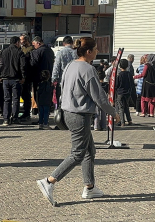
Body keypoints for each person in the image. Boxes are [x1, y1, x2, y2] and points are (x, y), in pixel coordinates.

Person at [36, 37, 120, 206]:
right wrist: (114, 113)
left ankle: (89, 187)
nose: (97, 52)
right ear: (88, 52)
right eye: (95, 49)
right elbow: (100, 97)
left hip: (68, 111)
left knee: (89, 150)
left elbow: (62, 87)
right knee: (78, 153)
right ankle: (49, 181)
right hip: (79, 114)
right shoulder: (88, 69)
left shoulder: (70, 65)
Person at [0, 36, 26, 125]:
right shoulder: (20, 52)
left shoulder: (3, 52)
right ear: (17, 43)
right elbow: (22, 66)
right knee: (16, 99)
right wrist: (23, 77)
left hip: (5, 79)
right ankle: (15, 118)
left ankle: (6, 118)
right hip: (16, 79)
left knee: (6, 99)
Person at [51, 35, 78, 106]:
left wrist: (54, 79)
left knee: (62, 100)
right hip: (75, 81)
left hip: (62, 81)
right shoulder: (77, 53)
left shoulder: (60, 53)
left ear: (63, 43)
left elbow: (56, 68)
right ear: (72, 42)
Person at [30, 36, 55, 110]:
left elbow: (33, 64)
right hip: (49, 76)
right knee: (47, 96)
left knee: (38, 96)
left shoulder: (37, 52)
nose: (33, 46)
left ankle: (41, 116)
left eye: (34, 44)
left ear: (38, 43)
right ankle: (46, 114)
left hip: (39, 77)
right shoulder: (50, 50)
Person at [19, 34, 34, 121]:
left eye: (22, 40)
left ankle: (27, 113)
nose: (21, 42)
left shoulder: (30, 50)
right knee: (23, 95)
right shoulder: (21, 49)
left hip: (28, 75)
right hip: (22, 75)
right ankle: (25, 113)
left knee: (26, 95)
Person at [116, 59, 133, 126]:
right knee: (126, 107)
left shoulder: (119, 75)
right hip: (127, 92)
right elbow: (131, 83)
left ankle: (122, 121)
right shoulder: (129, 74)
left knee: (121, 107)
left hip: (120, 92)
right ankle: (129, 120)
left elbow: (117, 85)